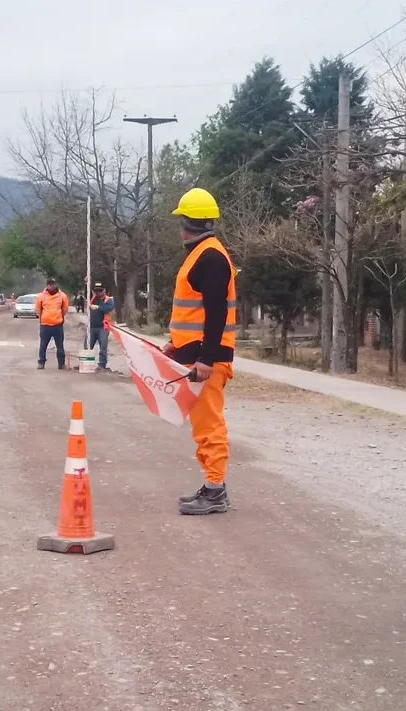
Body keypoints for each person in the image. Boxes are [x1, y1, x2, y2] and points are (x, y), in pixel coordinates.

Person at [164, 187, 237, 516]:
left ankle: (215, 491)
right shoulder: (204, 253)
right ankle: (211, 486)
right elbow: (193, 312)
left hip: (208, 359)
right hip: (195, 355)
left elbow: (216, 312)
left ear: (186, 222)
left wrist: (207, 358)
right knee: (202, 426)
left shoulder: (210, 256)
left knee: (209, 426)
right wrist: (177, 346)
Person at [34, 278, 69, 369]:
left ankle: (61, 364)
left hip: (58, 325)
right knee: (43, 345)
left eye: (53, 284)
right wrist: (44, 318)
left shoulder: (62, 296)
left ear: (56, 284)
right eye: (49, 284)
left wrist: (58, 317)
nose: (51, 286)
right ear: (47, 285)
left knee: (60, 346)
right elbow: (38, 310)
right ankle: (41, 362)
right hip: (45, 325)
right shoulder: (41, 296)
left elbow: (65, 309)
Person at [88, 282, 115, 371]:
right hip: (91, 326)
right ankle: (86, 364)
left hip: (103, 327)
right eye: (96, 291)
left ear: (104, 291)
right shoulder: (92, 298)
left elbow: (108, 308)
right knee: (88, 346)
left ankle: (102, 365)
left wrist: (98, 307)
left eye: (100, 291)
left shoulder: (108, 300)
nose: (98, 293)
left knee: (103, 347)